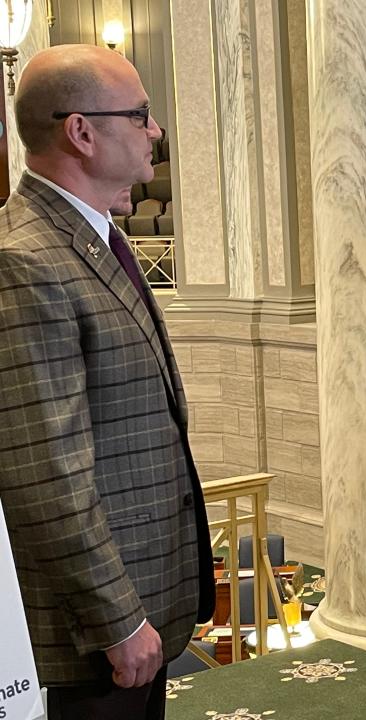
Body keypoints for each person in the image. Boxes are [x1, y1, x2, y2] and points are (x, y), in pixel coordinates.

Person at [0, 45, 214, 720]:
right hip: (88, 638)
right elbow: (45, 474)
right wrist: (118, 620)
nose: (155, 130)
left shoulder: (88, 236)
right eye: (140, 114)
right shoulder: (26, 260)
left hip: (142, 597)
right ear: (82, 132)